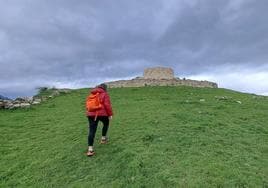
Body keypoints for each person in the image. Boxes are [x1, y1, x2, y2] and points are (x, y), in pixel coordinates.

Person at [86, 83, 113, 157]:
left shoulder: (91, 94)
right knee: (106, 123)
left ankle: (90, 150)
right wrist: (110, 114)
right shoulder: (105, 94)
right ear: (105, 88)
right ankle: (103, 139)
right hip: (102, 114)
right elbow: (107, 105)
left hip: (91, 114)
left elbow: (88, 105)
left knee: (92, 130)